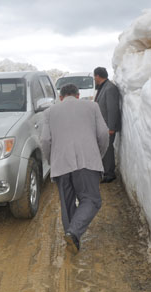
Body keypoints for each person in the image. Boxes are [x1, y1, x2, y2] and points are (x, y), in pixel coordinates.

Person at [41, 84, 109, 254]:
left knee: (67, 203)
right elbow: (103, 134)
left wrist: (52, 161)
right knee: (91, 200)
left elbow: (44, 140)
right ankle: (74, 233)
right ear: (78, 96)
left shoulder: (50, 112)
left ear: (61, 97)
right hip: (87, 161)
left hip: (61, 163)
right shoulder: (92, 106)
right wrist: (97, 155)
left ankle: (72, 238)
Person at [93, 67, 122, 183]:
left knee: (108, 149)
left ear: (98, 76)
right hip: (103, 125)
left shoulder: (109, 88)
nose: (94, 79)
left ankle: (110, 174)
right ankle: (106, 171)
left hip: (108, 126)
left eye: (95, 76)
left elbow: (112, 109)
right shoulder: (104, 87)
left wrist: (111, 127)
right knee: (105, 148)